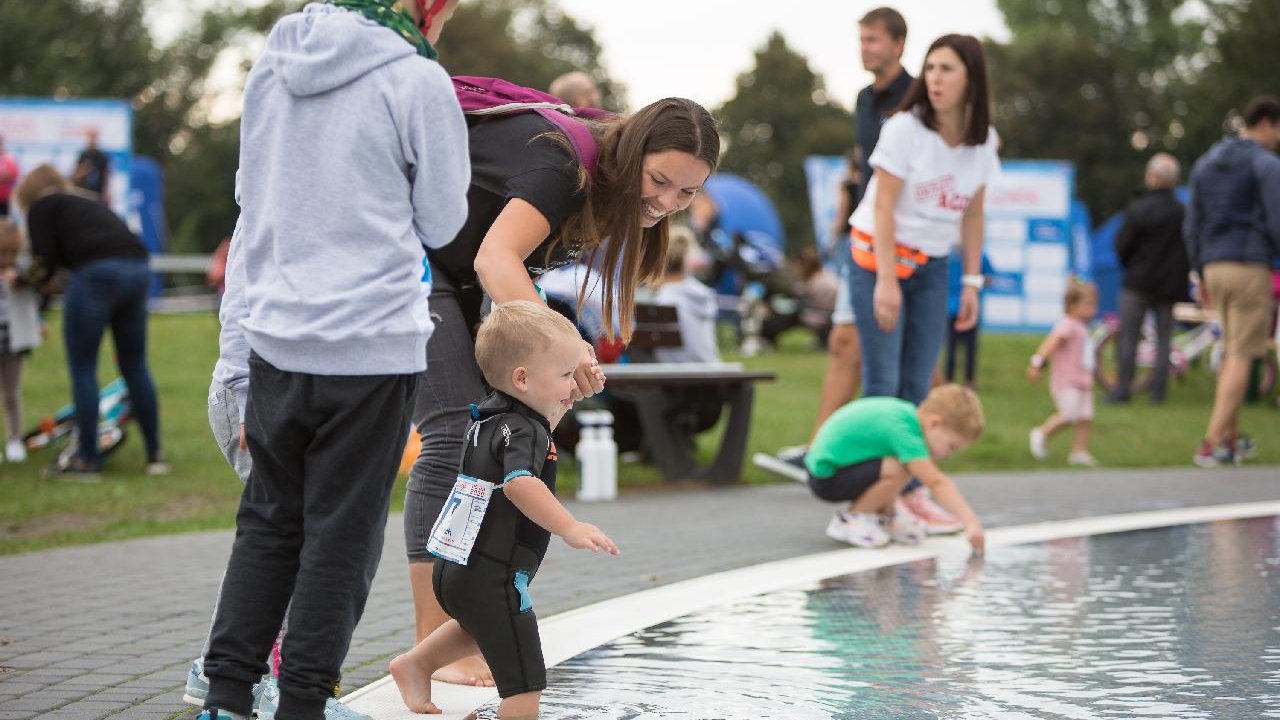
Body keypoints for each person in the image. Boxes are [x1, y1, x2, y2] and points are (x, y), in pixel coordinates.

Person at [194, 1, 470, 718]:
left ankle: (225, 697)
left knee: (268, 523)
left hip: (279, 335)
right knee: (341, 535)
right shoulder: (417, 78)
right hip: (372, 342)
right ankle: (303, 703)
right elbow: (444, 219)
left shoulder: (272, 65)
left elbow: (250, 201)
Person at [403, 96, 719, 687]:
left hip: (455, 270)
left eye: (687, 194)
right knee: (450, 433)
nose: (666, 203)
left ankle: (450, 629)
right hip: (407, 250)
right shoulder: (564, 166)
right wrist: (568, 348)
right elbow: (497, 257)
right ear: (633, 154)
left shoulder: (614, 186)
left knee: (485, 429)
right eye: (659, 182)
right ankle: (431, 641)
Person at [390, 300, 620, 718]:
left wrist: (560, 403)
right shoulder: (527, 431)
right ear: (523, 378)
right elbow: (519, 484)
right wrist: (570, 526)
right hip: (495, 576)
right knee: (525, 686)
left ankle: (417, 663)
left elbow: (524, 450)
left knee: (477, 625)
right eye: (566, 375)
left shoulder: (487, 418)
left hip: (456, 572)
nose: (574, 386)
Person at [848, 34, 998, 529]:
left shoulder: (984, 143)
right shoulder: (903, 129)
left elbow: (972, 217)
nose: (934, 78)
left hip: (933, 266)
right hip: (878, 259)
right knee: (884, 385)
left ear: (971, 78)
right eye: (930, 67)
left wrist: (972, 282)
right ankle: (870, 501)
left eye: (947, 69)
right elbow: (884, 206)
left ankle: (908, 494)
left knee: (917, 386)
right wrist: (886, 281)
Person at [770, 8, 913, 474]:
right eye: (862, 40)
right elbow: (866, 165)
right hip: (862, 235)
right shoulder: (864, 99)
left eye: (873, 40)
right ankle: (821, 451)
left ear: (898, 43)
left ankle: (900, 457)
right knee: (843, 344)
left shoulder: (915, 97)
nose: (865, 48)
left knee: (903, 356)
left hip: (902, 243)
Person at [12, 164, 165, 478]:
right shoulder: (88, 203)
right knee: (134, 363)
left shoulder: (42, 206)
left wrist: (22, 281)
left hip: (95, 273)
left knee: (83, 366)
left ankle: (86, 458)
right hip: (137, 269)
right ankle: (155, 455)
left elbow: (43, 263)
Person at [1184, 95, 1280, 467]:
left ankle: (1231, 440)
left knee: (1230, 349)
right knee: (1242, 354)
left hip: (1213, 266)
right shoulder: (1266, 165)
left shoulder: (1205, 163)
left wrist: (1199, 269)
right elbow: (1276, 219)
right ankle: (1209, 443)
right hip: (1248, 264)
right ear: (1267, 123)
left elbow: (1192, 222)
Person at [805, 383, 985, 553]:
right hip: (827, 479)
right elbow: (936, 482)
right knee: (901, 468)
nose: (948, 455)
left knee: (900, 465)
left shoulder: (906, 416)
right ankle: (853, 519)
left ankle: (886, 517)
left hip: (837, 468)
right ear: (934, 423)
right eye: (951, 446)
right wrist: (970, 522)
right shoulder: (905, 432)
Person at [1109, 153, 1189, 405]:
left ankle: (1123, 390)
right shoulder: (1182, 211)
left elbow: (1122, 244)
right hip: (1168, 286)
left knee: (1129, 337)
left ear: (1152, 177)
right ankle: (1158, 393)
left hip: (1137, 282)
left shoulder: (1138, 208)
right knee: (1164, 339)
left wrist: (1130, 266)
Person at [1027, 279, 1099, 467]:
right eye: (1088, 303)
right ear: (1072, 304)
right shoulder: (1067, 325)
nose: (1093, 308)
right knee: (1069, 415)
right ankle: (1042, 433)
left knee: (1085, 417)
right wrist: (1037, 362)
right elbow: (1051, 343)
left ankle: (1079, 451)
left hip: (1083, 380)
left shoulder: (1082, 327)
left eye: (1094, 303)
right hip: (1067, 381)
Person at [0, 220, 41, 462]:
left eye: (11, 253)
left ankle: (15, 438)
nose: (7, 258)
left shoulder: (22, 275)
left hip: (14, 344)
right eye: (2, 252)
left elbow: (31, 304)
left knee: (12, 394)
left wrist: (38, 323)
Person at [943, 251, 994, 387]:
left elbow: (989, 279)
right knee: (956, 349)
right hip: (955, 308)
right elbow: (989, 279)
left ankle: (964, 381)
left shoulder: (978, 256)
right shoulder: (951, 256)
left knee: (965, 349)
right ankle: (960, 382)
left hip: (965, 309)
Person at [72, 129, 109, 201]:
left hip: (97, 192)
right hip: (84, 191)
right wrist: (84, 170)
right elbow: (77, 173)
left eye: (93, 138)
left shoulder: (101, 156)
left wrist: (106, 192)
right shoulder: (84, 155)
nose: (92, 141)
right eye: (90, 138)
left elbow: (106, 175)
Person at [0, 136, 19, 217]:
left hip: (5, 198)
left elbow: (13, 174)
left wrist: (6, 176)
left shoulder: (9, 159)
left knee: (4, 221)